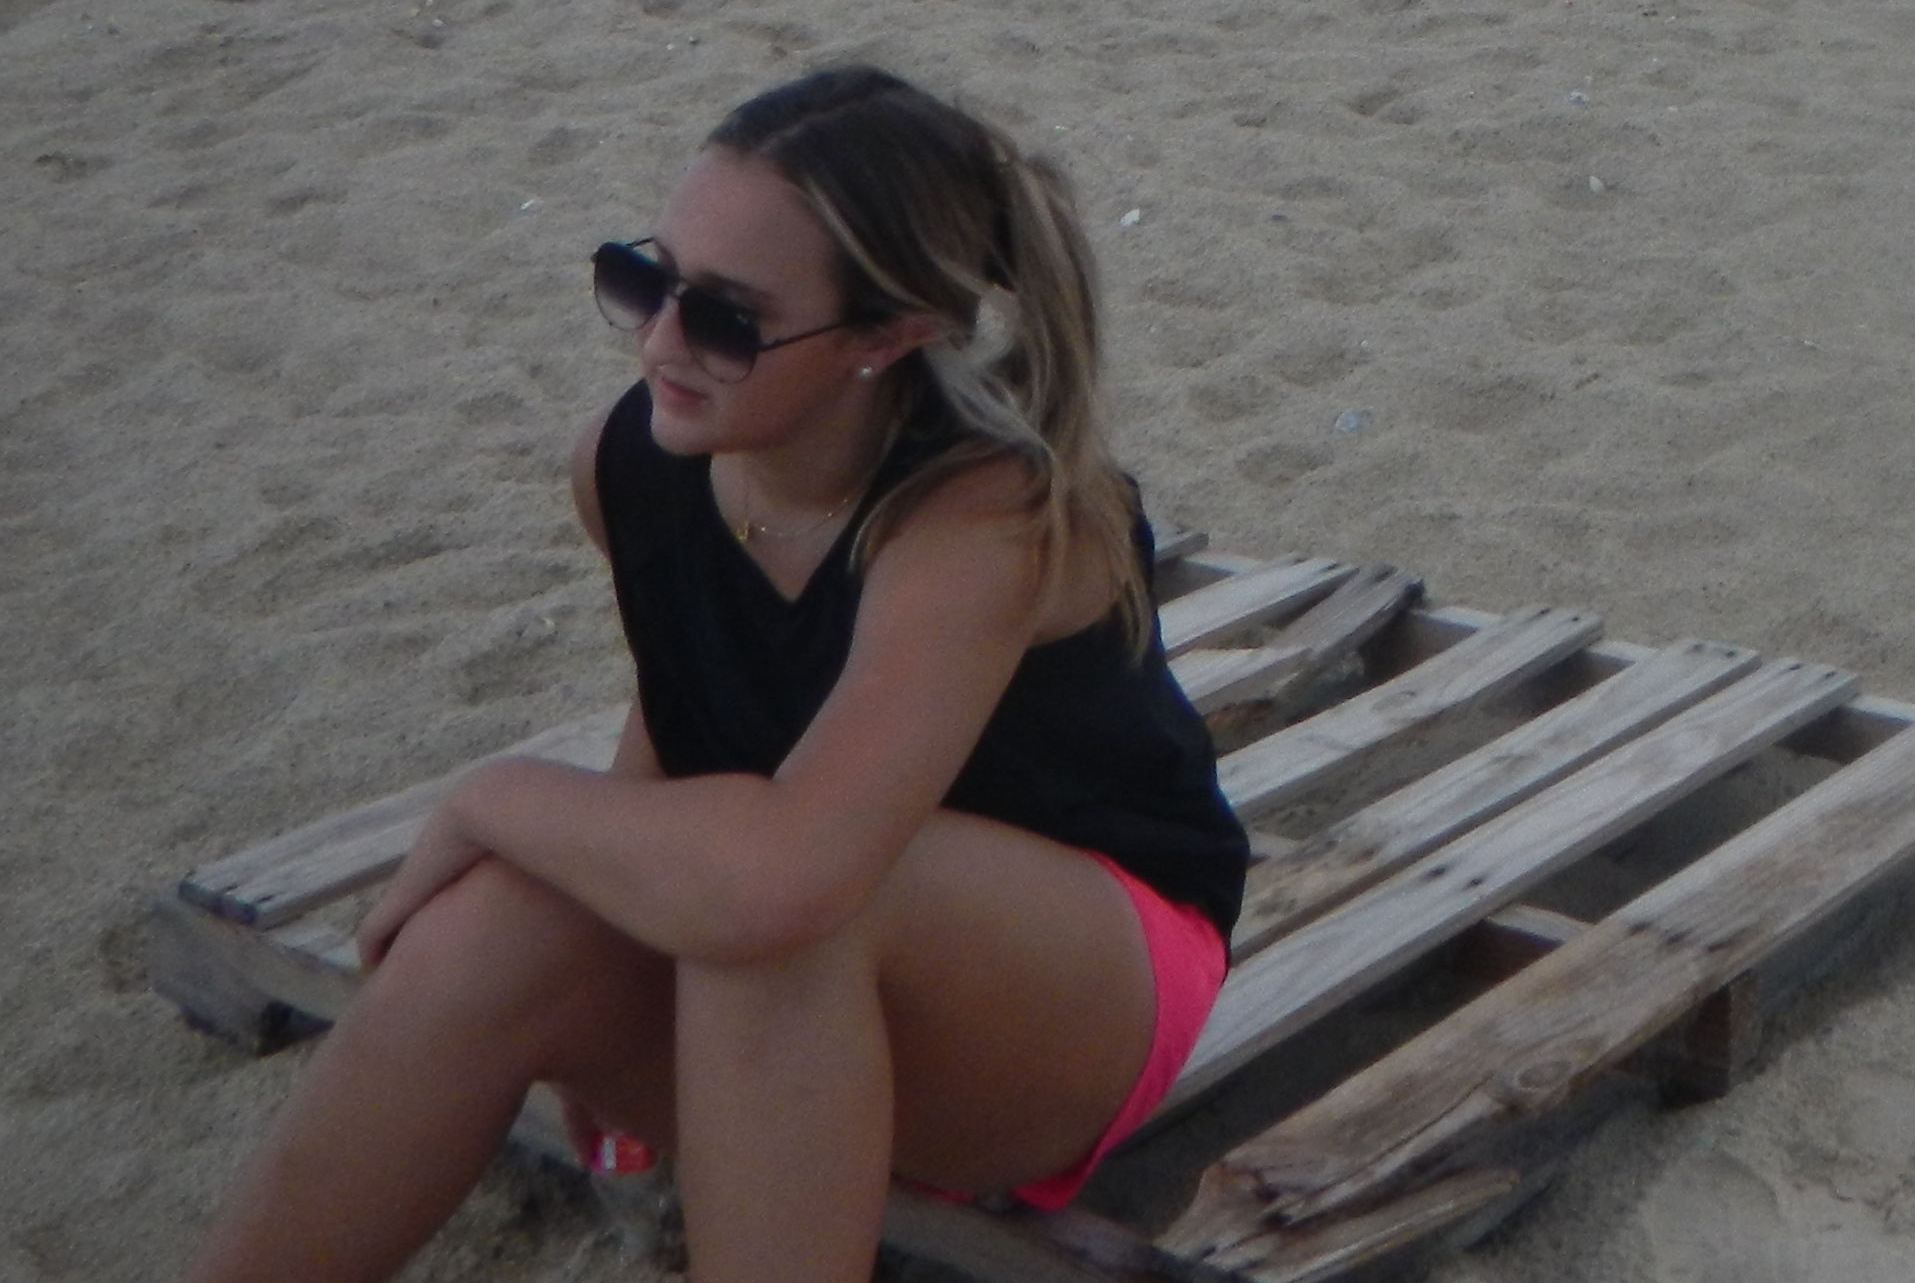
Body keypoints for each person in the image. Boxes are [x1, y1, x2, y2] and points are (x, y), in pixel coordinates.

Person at [190, 69, 1243, 1283]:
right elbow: (686, 711)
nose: (660, 341)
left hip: (1079, 989)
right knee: (497, 926)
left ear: (886, 336)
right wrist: (582, 983)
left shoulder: (986, 517)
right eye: (648, 279)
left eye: (727, 318)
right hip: (813, 974)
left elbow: (784, 876)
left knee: (789, 903)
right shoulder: (633, 462)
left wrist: (495, 797)